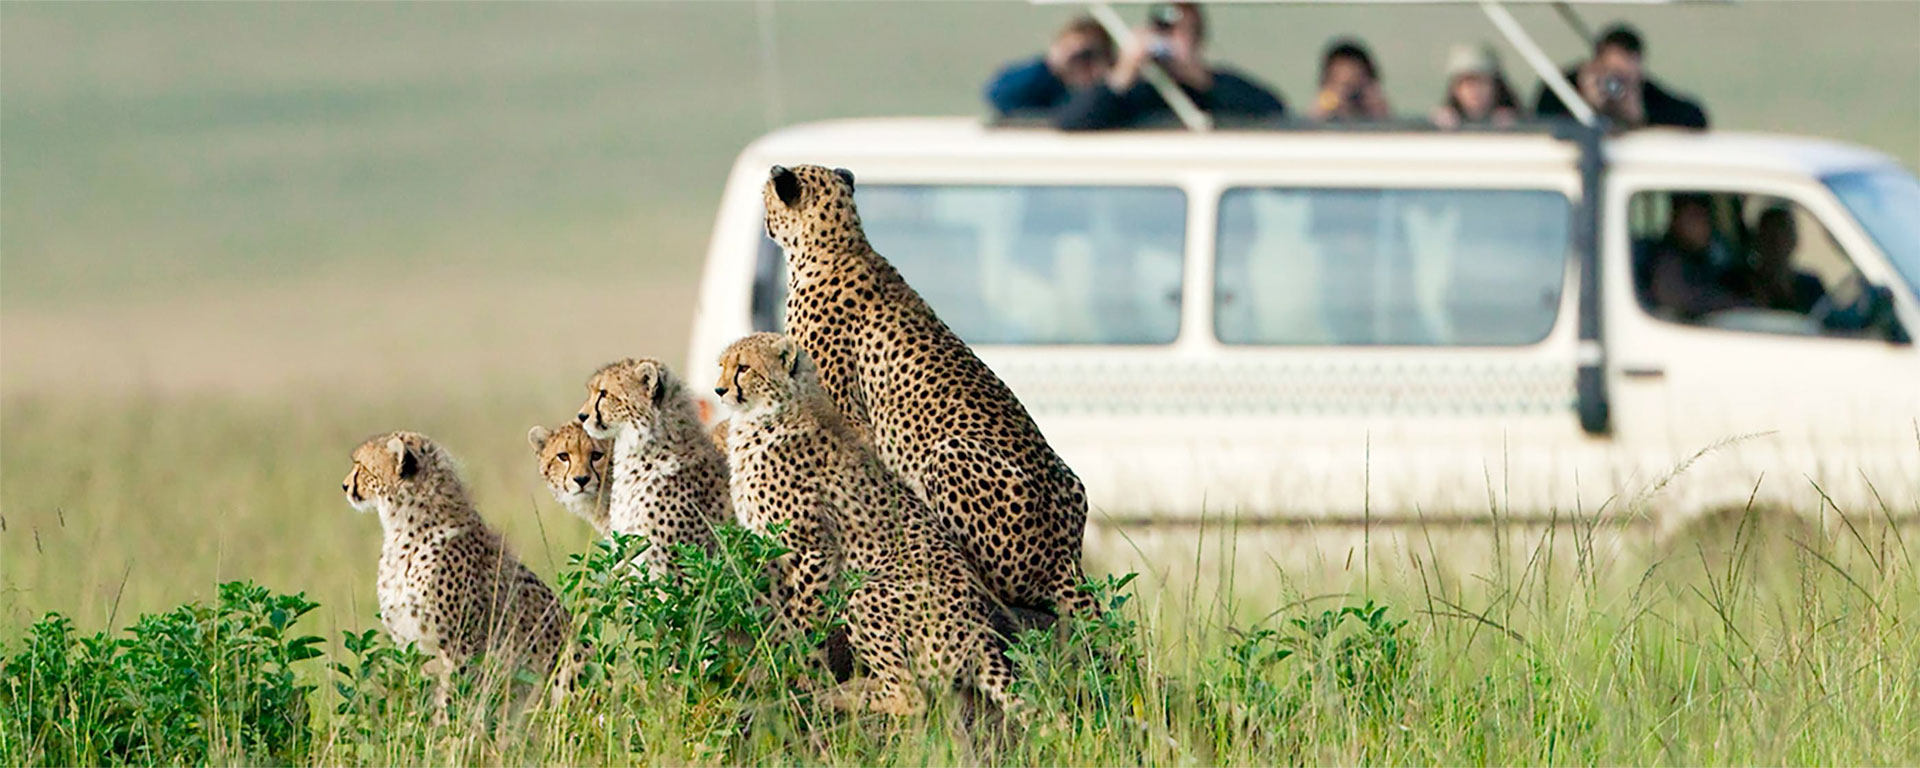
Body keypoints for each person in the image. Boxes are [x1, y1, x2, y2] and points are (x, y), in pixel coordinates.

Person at [1055, 2, 1286, 130]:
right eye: (1164, 29)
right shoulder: (1135, 92)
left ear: (1197, 39)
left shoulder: (1216, 88)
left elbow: (1274, 110)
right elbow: (1072, 121)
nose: (1170, 38)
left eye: (1182, 31)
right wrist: (1122, 75)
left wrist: (1200, 79)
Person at [1535, 23, 1708, 129]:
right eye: (1608, 73)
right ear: (1593, 66)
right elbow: (1539, 121)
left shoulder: (1648, 95)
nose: (1614, 84)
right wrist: (1586, 106)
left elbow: (1695, 120)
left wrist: (1641, 117)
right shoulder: (1563, 88)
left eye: (1623, 77)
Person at [983, 16, 1116, 118]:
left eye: (1089, 55)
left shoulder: (1112, 91)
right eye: (1075, 55)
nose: (1081, 62)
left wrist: (1106, 78)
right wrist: (1051, 65)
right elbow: (998, 94)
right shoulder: (1046, 86)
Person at [1643, 194, 1746, 320]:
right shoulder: (1669, 259)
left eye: (1706, 217)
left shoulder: (1705, 256)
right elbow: (1679, 297)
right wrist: (1737, 305)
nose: (1704, 225)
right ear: (1678, 221)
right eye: (1695, 218)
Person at [1741, 207, 1827, 314]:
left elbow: (1827, 320)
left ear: (1794, 241)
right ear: (1758, 241)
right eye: (1771, 237)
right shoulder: (1742, 285)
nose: (1779, 244)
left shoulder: (1811, 286)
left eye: (1784, 234)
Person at [1430, 43, 1519, 129]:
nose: (1476, 90)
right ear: (1455, 89)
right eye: (1469, 83)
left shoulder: (1512, 120)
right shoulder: (1444, 121)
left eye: (1482, 82)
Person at [1309, 38, 1391, 123]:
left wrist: (1382, 114)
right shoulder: (1317, 120)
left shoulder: (1377, 111)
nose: (1350, 95)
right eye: (1342, 86)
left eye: (1358, 86)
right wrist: (1322, 110)